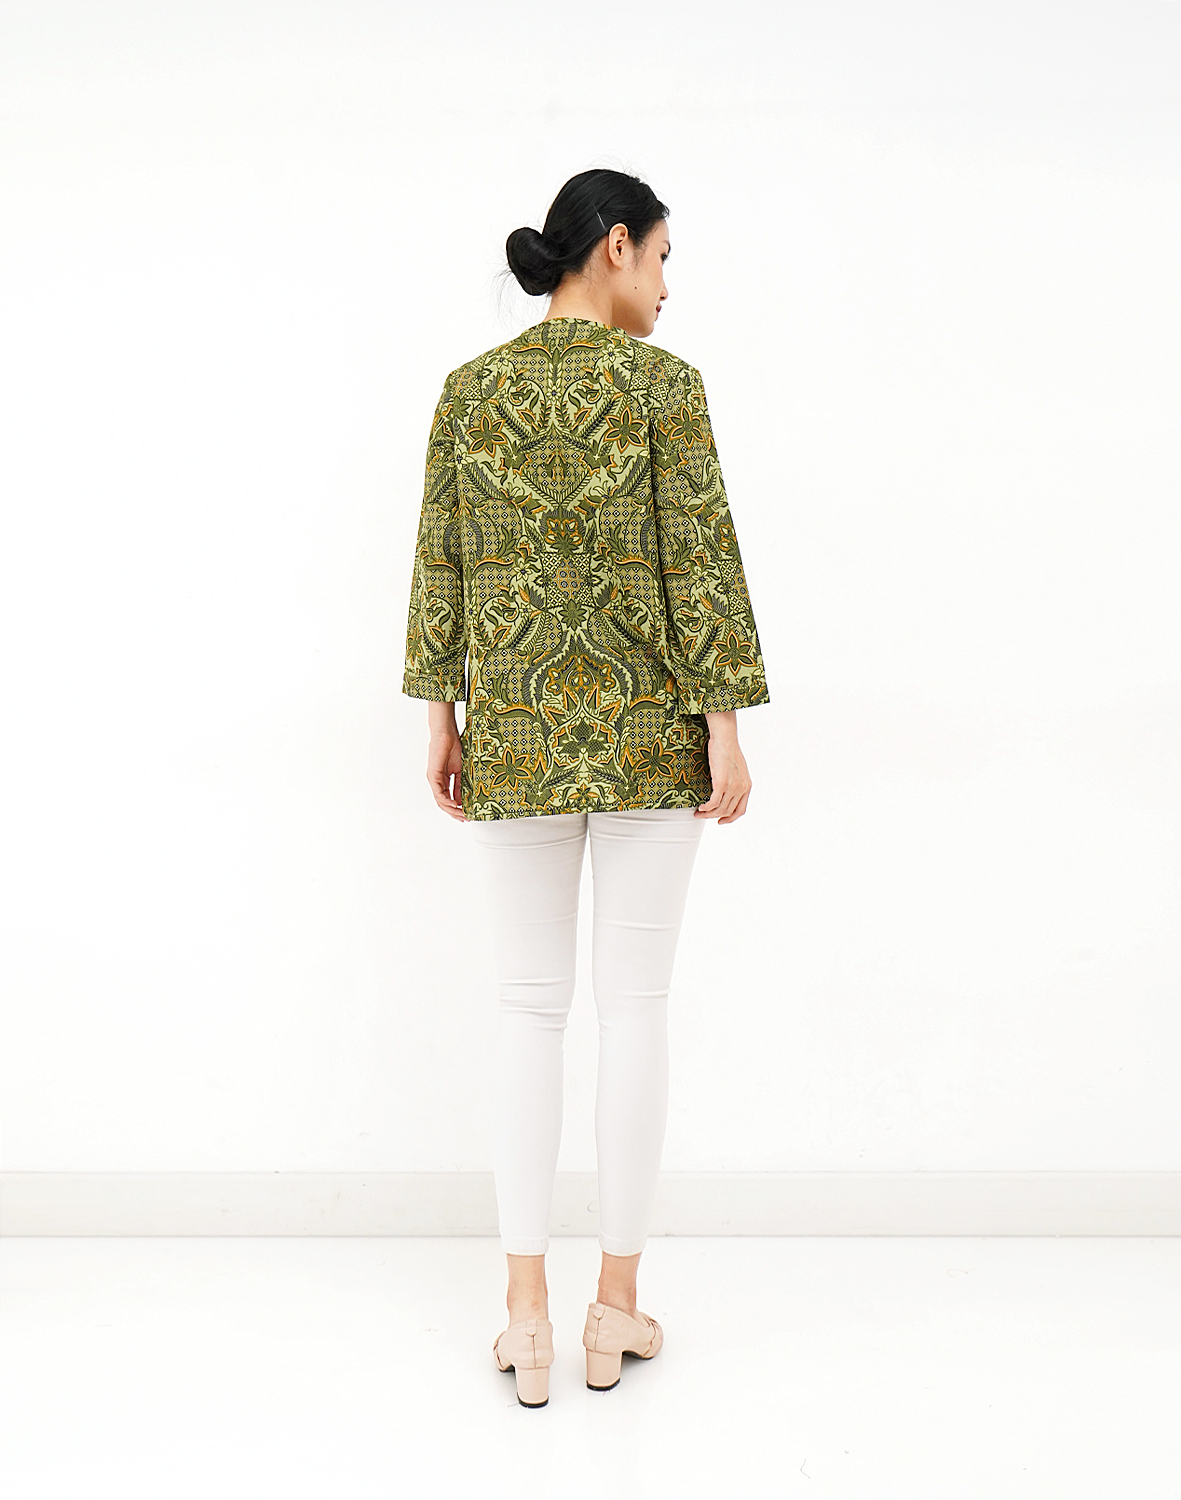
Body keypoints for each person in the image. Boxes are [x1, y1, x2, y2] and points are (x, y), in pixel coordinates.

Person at [401, 167, 770, 1406]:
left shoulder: (470, 390)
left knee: (527, 1011)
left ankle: (526, 1318)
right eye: (661, 259)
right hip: (651, 733)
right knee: (636, 1010)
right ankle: (616, 1305)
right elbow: (700, 562)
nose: (665, 288)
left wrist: (445, 717)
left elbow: (440, 561)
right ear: (614, 246)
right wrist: (725, 727)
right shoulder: (665, 388)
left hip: (513, 731)